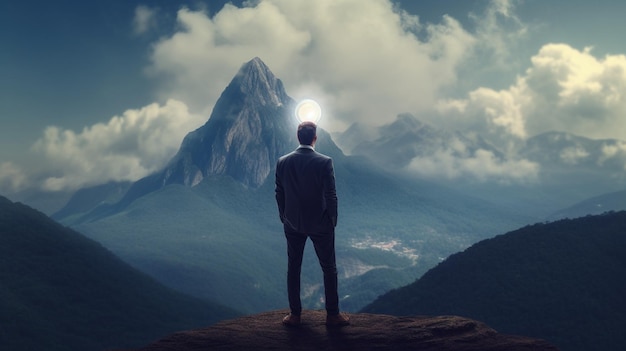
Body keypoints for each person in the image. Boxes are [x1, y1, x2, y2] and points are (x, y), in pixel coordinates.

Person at [275, 121, 350, 327]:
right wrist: (332, 220)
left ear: (298, 138)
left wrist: (284, 216)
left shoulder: (282, 161)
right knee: (329, 268)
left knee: (293, 268)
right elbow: (331, 194)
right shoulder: (325, 162)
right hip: (321, 224)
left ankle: (295, 314)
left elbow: (279, 193)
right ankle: (333, 315)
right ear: (315, 138)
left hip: (292, 224)